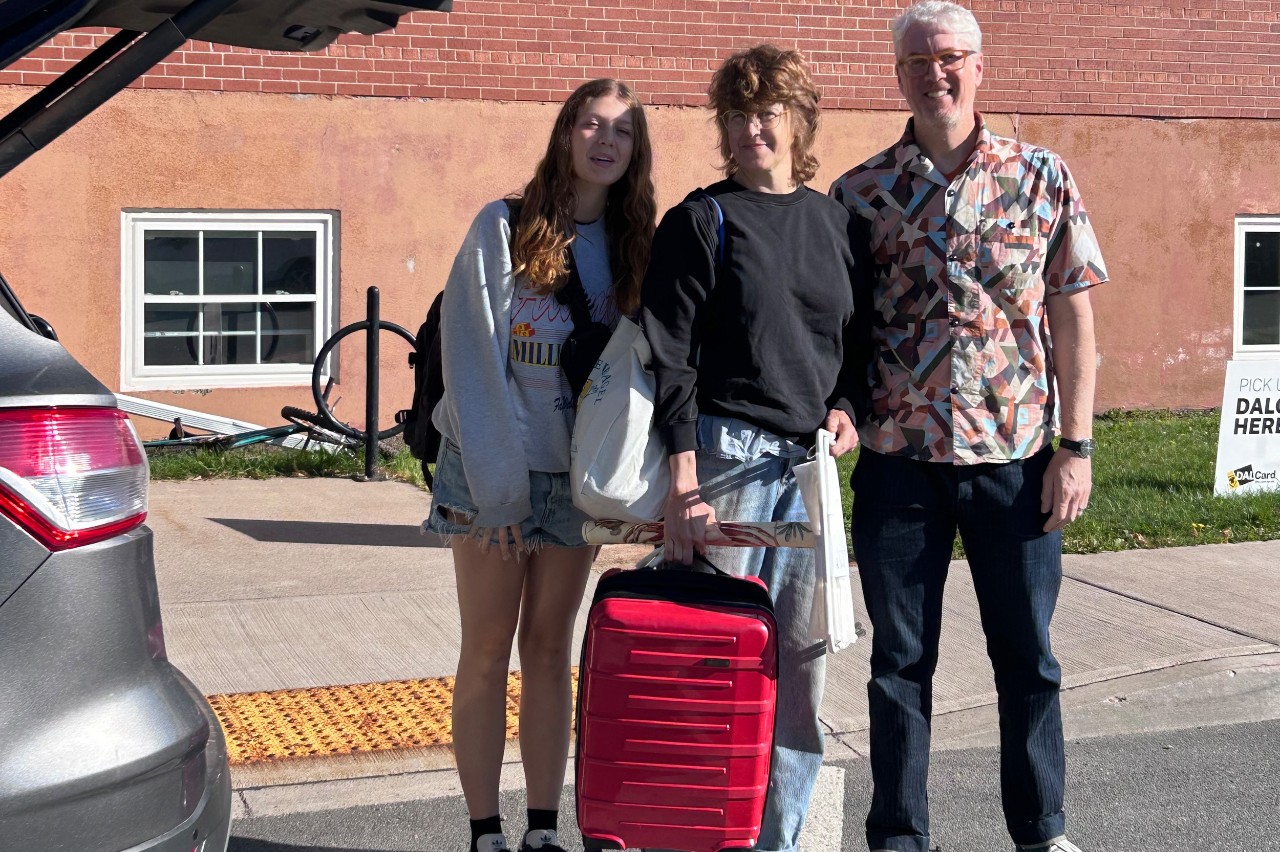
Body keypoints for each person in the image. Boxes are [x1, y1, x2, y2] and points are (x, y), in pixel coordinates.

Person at [829, 3, 1108, 852]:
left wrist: (1077, 447)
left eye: (950, 57)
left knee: (1028, 660)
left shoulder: (1042, 176)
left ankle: (1041, 830)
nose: (935, 73)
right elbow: (840, 330)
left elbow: (1074, 320)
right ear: (898, 76)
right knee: (899, 668)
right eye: (917, 61)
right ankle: (900, 837)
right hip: (897, 464)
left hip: (1017, 461)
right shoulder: (861, 192)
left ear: (980, 66)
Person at [641, 44, 866, 852]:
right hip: (726, 460)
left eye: (765, 113)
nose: (749, 130)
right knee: (713, 661)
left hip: (807, 468)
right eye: (734, 116)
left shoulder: (836, 223)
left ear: (799, 120)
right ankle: (699, 832)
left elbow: (856, 346)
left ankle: (779, 839)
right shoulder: (702, 221)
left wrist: (848, 408)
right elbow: (671, 356)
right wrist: (684, 479)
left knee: (801, 668)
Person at [425, 78, 656, 852]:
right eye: (592, 123)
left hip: (572, 482)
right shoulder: (505, 225)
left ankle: (544, 829)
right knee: (487, 650)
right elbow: (472, 356)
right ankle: (485, 829)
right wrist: (498, 491)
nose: (605, 140)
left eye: (622, 130)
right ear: (565, 134)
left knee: (552, 650)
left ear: (636, 150)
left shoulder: (632, 248)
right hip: (490, 470)